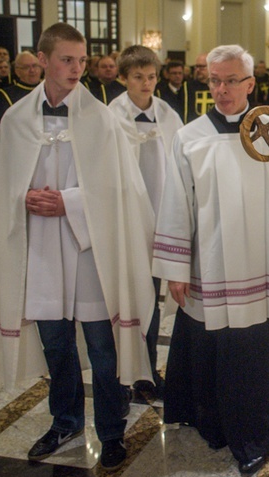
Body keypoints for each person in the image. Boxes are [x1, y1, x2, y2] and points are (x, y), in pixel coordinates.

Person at [0, 22, 155, 471]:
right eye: (66, 59)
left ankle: (112, 432)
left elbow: (121, 190)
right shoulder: (17, 118)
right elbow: (2, 185)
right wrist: (25, 196)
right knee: (57, 346)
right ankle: (65, 421)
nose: (76, 68)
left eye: (81, 60)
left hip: (89, 253)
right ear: (42, 60)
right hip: (39, 250)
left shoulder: (102, 119)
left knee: (102, 347)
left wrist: (69, 202)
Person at [153, 43, 269, 476]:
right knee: (215, 348)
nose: (222, 89)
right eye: (215, 80)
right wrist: (176, 269)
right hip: (211, 265)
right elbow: (176, 205)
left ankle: (256, 433)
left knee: (254, 352)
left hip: (260, 266)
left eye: (231, 80)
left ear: (250, 84)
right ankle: (214, 424)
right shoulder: (190, 137)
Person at [108, 45, 184, 399]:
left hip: (160, 223)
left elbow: (183, 168)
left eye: (151, 76)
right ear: (123, 78)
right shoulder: (110, 116)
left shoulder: (168, 116)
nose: (146, 83)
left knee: (151, 301)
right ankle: (122, 371)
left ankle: (147, 371)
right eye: (138, 77)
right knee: (125, 301)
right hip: (125, 224)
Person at [0, 51, 43, 129]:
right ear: (17, 71)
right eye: (26, 67)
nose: (32, 70)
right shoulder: (6, 95)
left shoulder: (51, 91)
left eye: (35, 66)